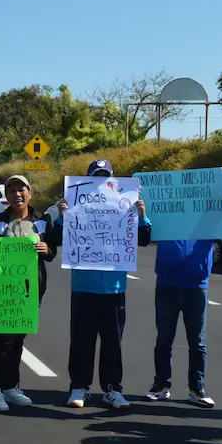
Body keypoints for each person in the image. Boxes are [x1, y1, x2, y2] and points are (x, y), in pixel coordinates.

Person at [60, 159, 151, 410]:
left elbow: (143, 240)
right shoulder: (74, 202)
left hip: (114, 288)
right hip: (83, 287)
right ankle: (79, 387)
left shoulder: (127, 203)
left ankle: (112, 389)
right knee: (81, 341)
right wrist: (62, 217)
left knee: (113, 342)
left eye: (105, 176)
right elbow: (57, 237)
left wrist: (141, 216)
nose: (101, 181)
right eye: (96, 176)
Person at [145, 189, 222, 409]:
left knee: (198, 342)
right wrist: (142, 208)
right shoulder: (167, 215)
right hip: (167, 284)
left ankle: (197, 389)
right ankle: (160, 385)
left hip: (196, 286)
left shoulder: (209, 216)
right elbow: (145, 229)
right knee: (163, 339)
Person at [0, 175, 57, 412]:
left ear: (30, 192)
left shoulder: (42, 222)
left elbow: (52, 252)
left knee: (17, 340)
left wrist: (47, 249)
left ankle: (11, 386)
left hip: (31, 289)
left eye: (20, 190)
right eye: (11, 191)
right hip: (2, 290)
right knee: (2, 339)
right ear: (6, 196)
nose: (16, 195)